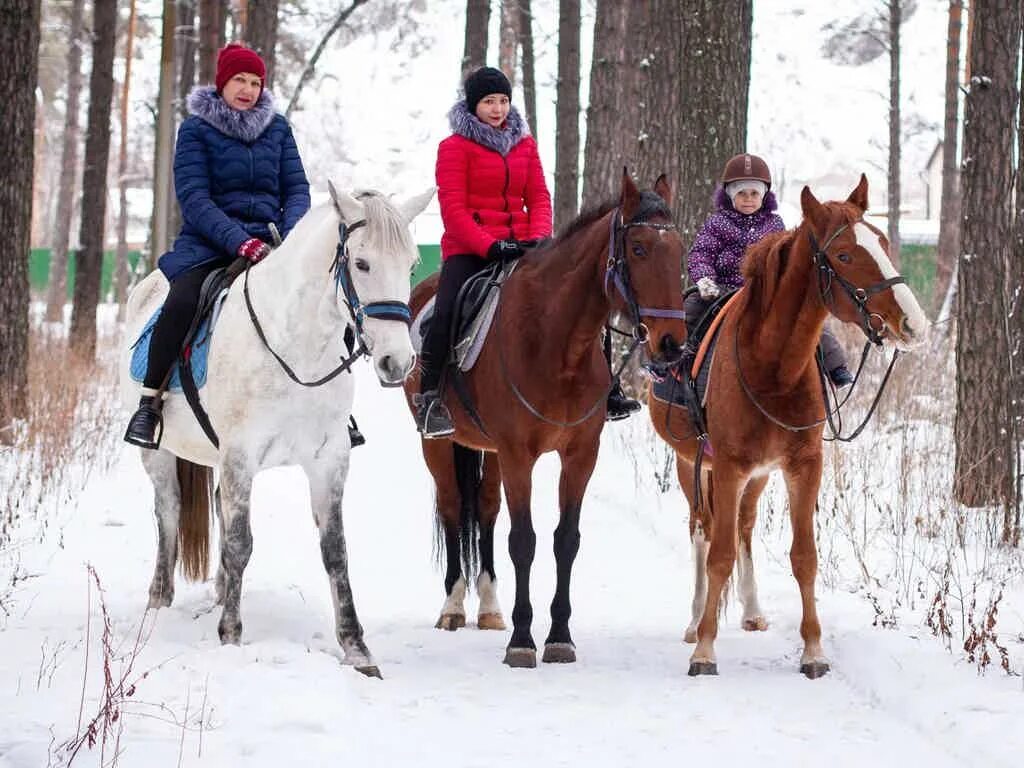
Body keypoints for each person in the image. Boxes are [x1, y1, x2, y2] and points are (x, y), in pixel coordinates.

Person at [124, 43, 313, 449]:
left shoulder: (278, 129)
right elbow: (194, 197)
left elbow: (297, 188)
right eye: (239, 80)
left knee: (315, 301)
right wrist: (239, 241)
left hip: (270, 245)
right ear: (222, 83)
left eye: (255, 82)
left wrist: (288, 234)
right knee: (182, 302)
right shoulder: (195, 130)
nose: (247, 89)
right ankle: (151, 402)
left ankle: (330, 409)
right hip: (208, 243)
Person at [684, 153, 854, 386]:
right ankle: (678, 359)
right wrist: (705, 278)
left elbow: (786, 257)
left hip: (766, 292)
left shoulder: (774, 224)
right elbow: (701, 253)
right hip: (723, 291)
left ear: (764, 196)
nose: (748, 199)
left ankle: (835, 366)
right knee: (691, 306)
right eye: (741, 193)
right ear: (730, 195)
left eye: (754, 193)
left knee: (807, 317)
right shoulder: (717, 223)